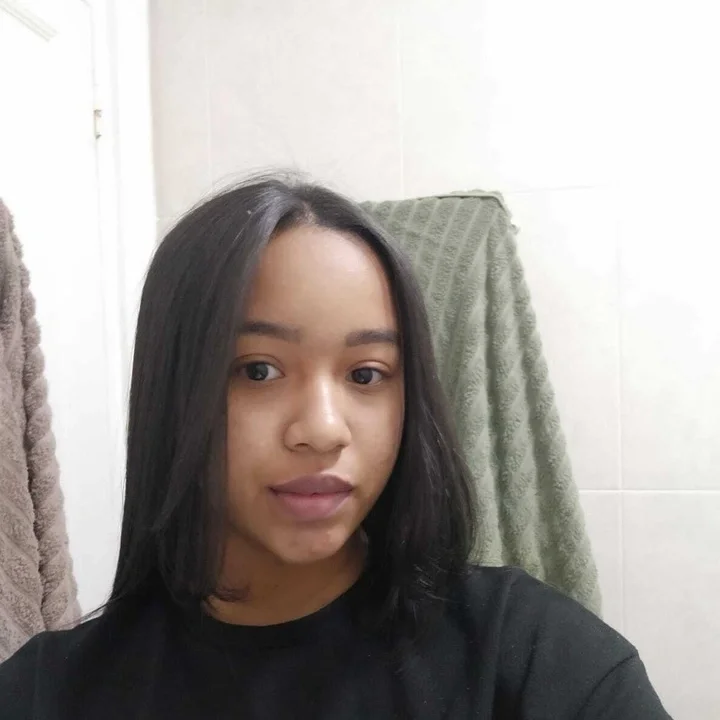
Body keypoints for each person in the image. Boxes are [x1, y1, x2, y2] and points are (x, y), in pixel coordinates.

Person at [0, 175, 671, 719]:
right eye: (257, 370)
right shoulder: (45, 694)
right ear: (174, 391)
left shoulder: (534, 656)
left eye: (367, 375)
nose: (323, 430)